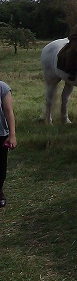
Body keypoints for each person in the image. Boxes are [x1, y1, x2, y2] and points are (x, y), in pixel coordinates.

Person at [0, 80, 17, 208]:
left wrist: (12, 135)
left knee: (1, 169)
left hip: (0, 134)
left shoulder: (3, 87)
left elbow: (8, 111)